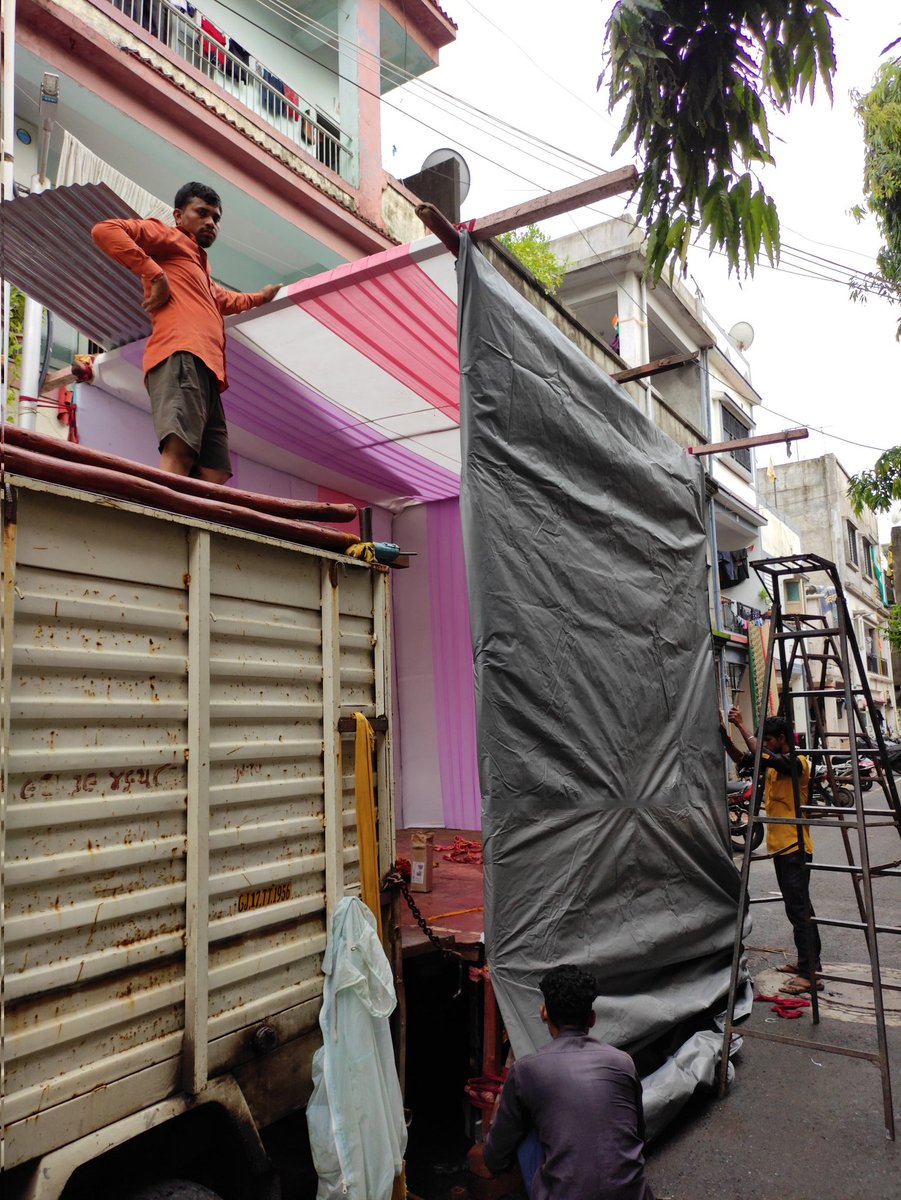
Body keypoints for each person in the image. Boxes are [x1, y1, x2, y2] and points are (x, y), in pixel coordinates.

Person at [92, 182, 280, 483]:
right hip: (181, 355)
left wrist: (262, 296)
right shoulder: (170, 238)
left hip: (208, 370)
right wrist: (155, 274)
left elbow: (227, 301)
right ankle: (161, 522)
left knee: (214, 472)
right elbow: (105, 230)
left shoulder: (199, 268)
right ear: (179, 216)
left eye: (216, 218)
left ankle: (189, 524)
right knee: (180, 453)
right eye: (202, 213)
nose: (211, 222)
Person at [469, 965, 654, 1200]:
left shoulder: (526, 1070)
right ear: (592, 1018)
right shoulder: (623, 1062)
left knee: (525, 1127)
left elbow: (496, 1156)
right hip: (633, 1194)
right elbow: (638, 1133)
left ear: (544, 1013)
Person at [724, 708, 822, 996]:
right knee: (798, 911)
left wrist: (743, 727)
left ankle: (811, 973)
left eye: (769, 740)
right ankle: (807, 963)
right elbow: (746, 760)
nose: (765, 744)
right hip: (782, 849)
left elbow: (764, 756)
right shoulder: (774, 763)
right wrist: (724, 737)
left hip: (796, 848)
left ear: (781, 739)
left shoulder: (798, 764)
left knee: (800, 910)